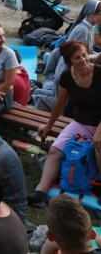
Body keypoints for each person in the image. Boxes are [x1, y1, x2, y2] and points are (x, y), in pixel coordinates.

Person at [28, 40, 101, 207]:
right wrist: (49, 125)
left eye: (84, 55)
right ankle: (41, 192)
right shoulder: (67, 77)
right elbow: (60, 103)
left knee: (98, 145)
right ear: (69, 62)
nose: (83, 60)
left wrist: (99, 131)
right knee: (55, 150)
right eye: (77, 58)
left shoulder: (99, 73)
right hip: (81, 122)